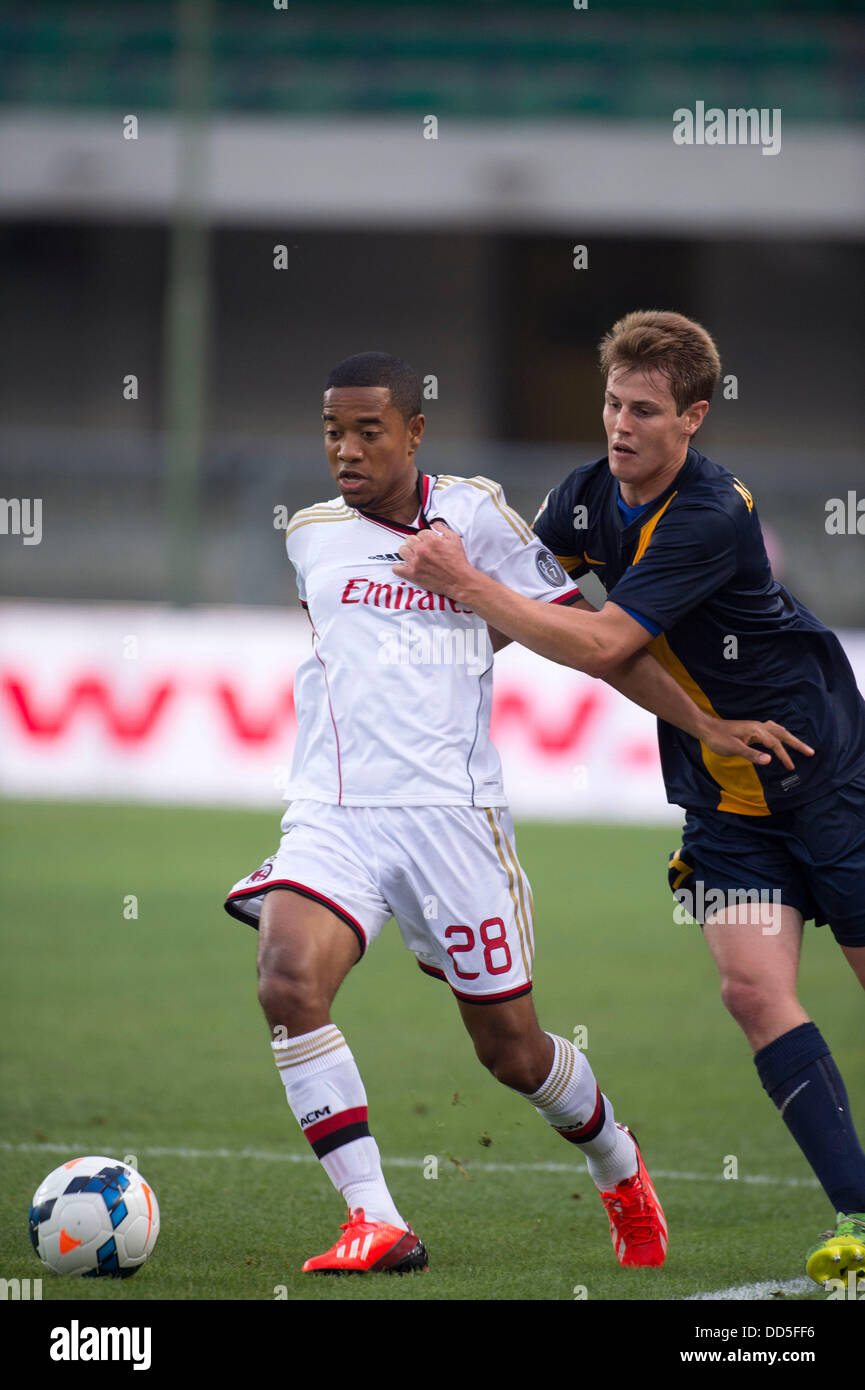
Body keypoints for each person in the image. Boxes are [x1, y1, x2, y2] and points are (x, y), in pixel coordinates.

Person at [224, 350, 809, 1278]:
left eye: (368, 431)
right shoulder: (310, 535)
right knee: (287, 981)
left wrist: (703, 722)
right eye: (332, 431)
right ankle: (375, 1219)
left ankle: (618, 1162)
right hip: (333, 817)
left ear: (415, 432)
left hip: (455, 826)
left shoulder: (479, 518)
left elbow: (593, 642)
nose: (346, 449)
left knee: (511, 1050)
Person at [394, 311, 865, 1286]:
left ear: (692, 417)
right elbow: (543, 616)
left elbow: (605, 645)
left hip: (826, 772)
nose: (620, 424)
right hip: (723, 796)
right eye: (611, 402)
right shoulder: (580, 498)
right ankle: (859, 1218)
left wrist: (472, 588)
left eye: (644, 410)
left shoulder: (708, 511)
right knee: (749, 989)